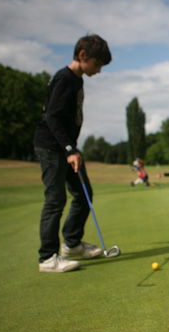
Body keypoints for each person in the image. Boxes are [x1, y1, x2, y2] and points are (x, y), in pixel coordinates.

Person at [34, 34, 112, 273]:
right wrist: (69, 149)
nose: (98, 71)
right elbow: (52, 117)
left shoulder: (77, 80)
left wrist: (71, 148)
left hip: (66, 147)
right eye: (97, 64)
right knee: (56, 200)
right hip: (52, 147)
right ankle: (47, 258)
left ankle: (72, 243)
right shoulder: (64, 78)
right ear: (82, 56)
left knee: (83, 193)